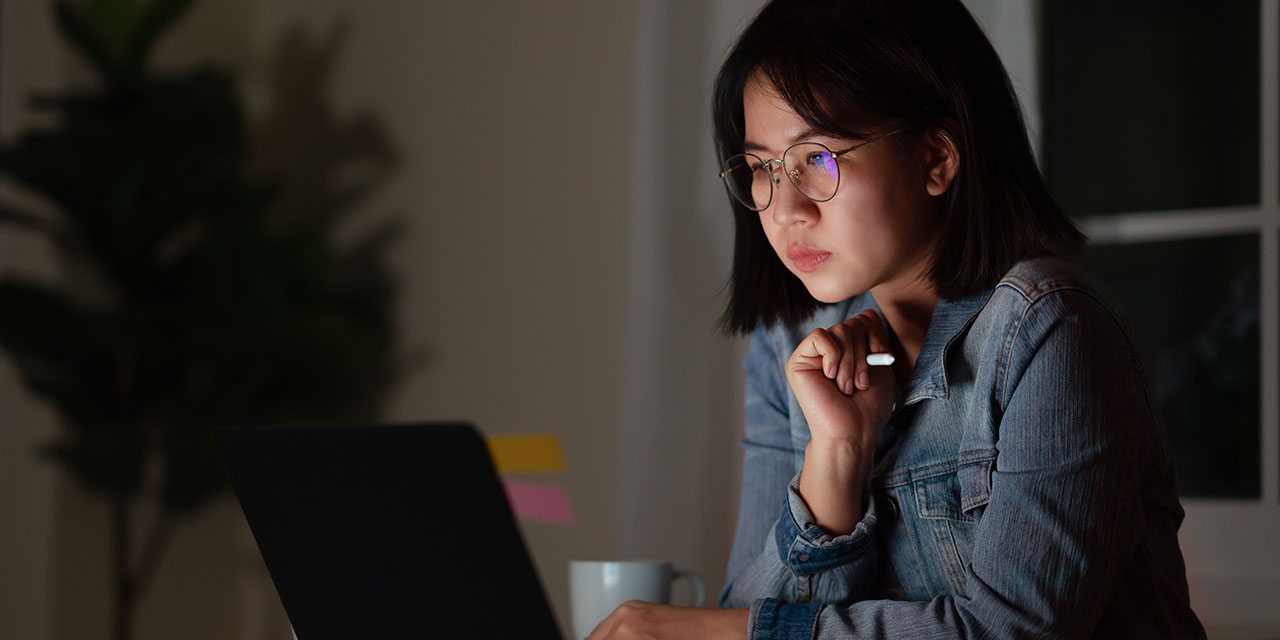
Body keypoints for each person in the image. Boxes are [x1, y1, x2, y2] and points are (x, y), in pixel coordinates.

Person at [584, 0, 1206, 638]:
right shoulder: (786, 346)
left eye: (817, 158)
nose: (785, 208)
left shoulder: (1047, 328)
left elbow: (1013, 632)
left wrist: (726, 633)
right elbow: (750, 598)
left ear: (937, 157)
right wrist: (838, 452)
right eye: (762, 168)